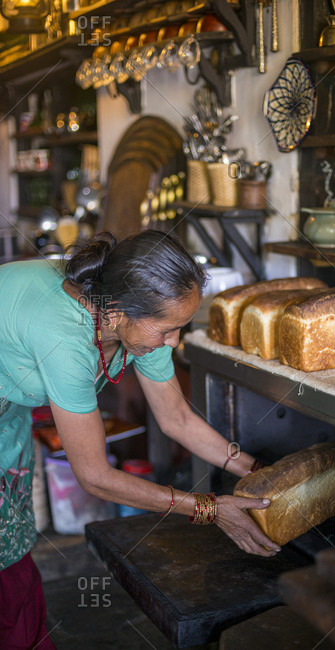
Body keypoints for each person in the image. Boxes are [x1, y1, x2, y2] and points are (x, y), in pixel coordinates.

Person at [0, 230, 280, 649]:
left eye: (179, 328)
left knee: (10, 553)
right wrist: (210, 509)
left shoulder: (140, 319)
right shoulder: (65, 336)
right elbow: (95, 476)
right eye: (167, 331)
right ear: (115, 313)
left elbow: (177, 418)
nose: (175, 342)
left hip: (8, 413)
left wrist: (258, 473)